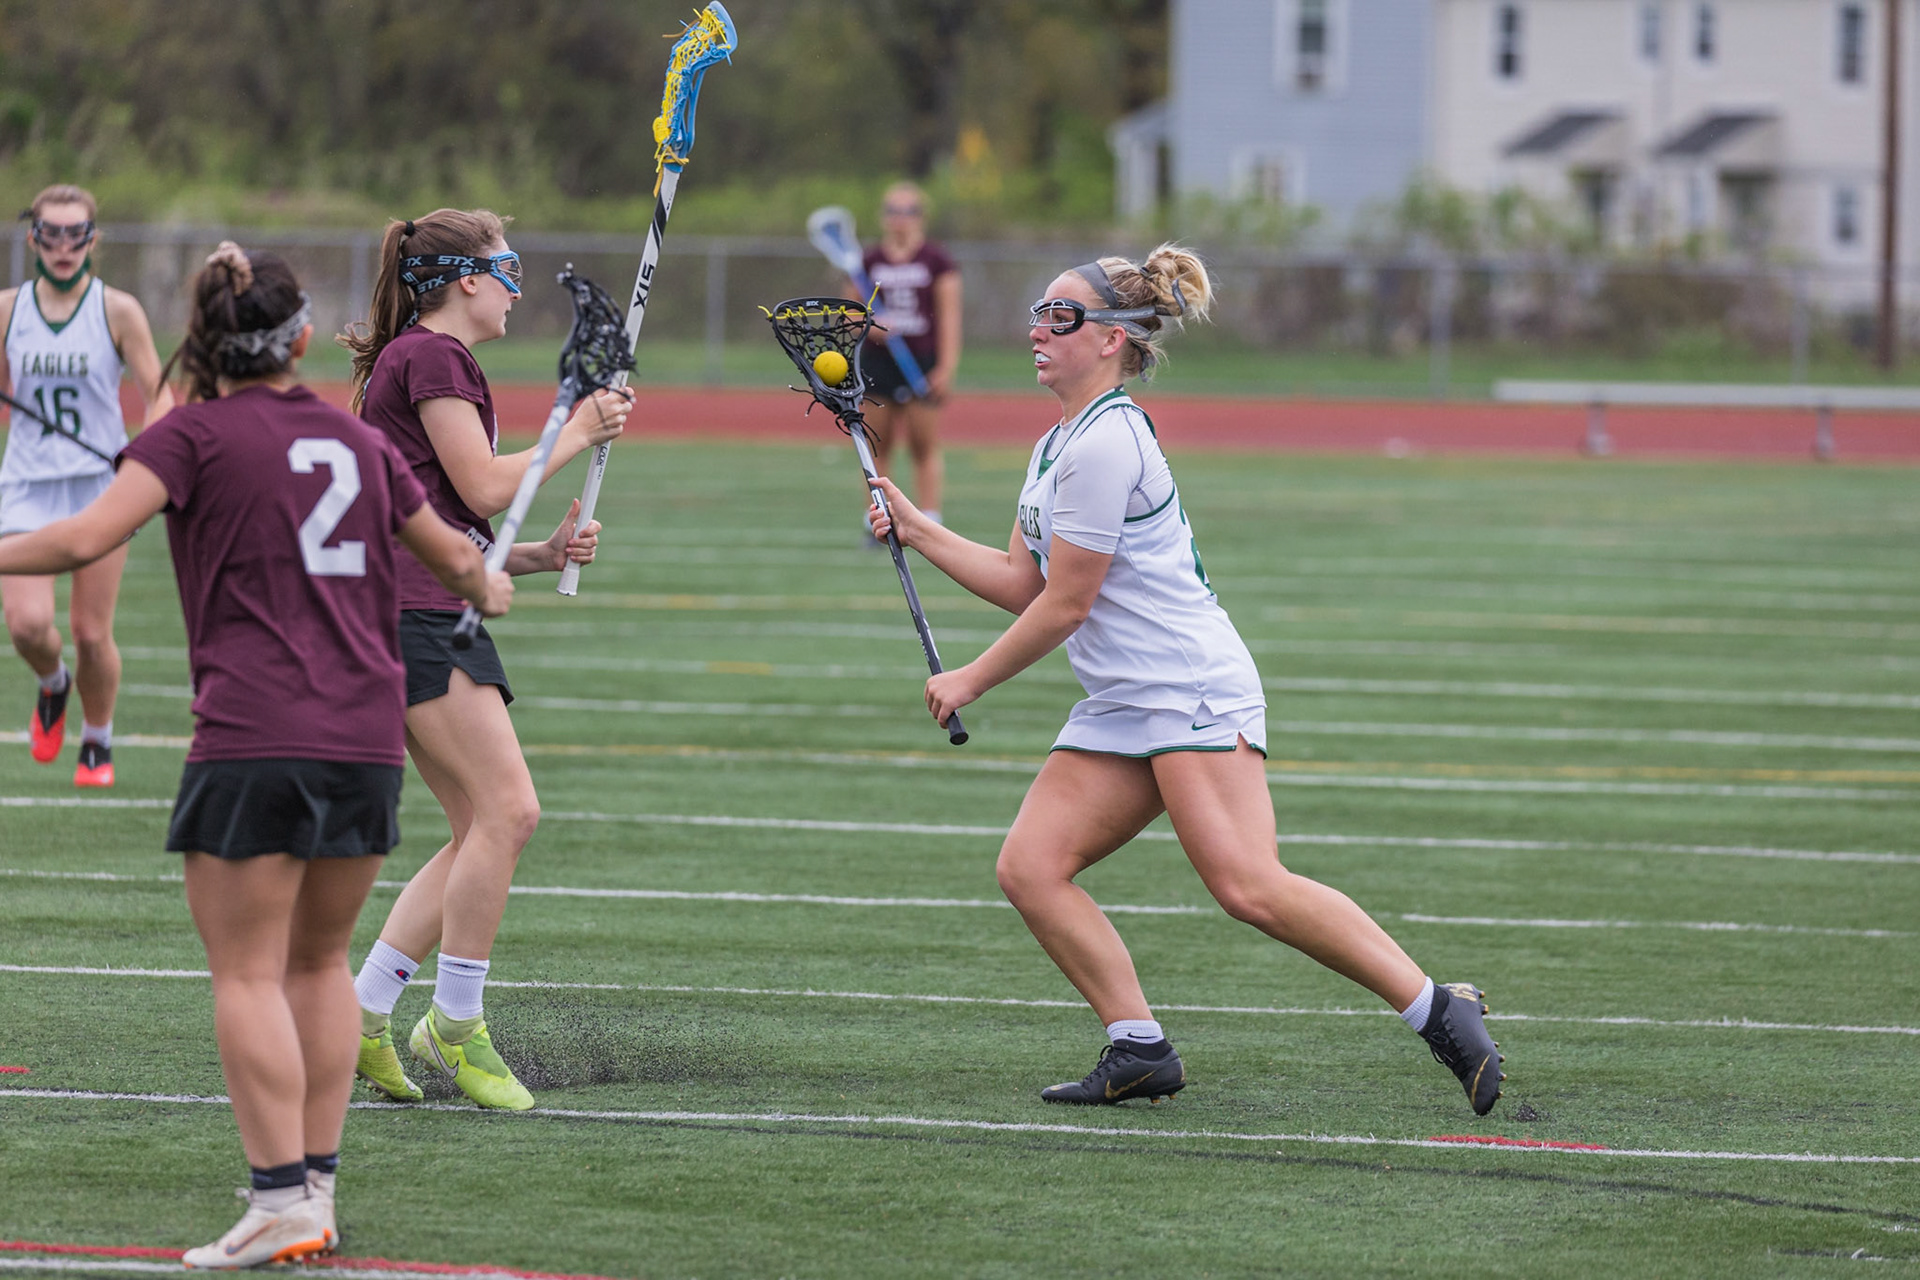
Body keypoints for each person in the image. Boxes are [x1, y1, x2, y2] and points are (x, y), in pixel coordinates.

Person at [867, 246, 1507, 1114]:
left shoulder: (1106, 442)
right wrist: (918, 528)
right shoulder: (1059, 441)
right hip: (1128, 698)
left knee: (1248, 886)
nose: (1038, 331)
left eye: (1061, 316)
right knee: (1032, 867)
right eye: (1037, 314)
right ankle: (1139, 1047)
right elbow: (1024, 582)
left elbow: (1066, 606)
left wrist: (971, 679)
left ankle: (1437, 1009)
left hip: (1186, 687)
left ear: (1112, 339)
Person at [0, 241, 512, 1265]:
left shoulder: (187, 435)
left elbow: (82, 538)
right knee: (318, 963)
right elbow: (460, 560)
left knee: (245, 974)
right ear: (304, 339)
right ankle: (312, 1191)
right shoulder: (358, 440)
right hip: (363, 739)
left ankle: (281, 1198)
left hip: (254, 731)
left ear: (200, 341)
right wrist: (497, 579)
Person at [340, 208, 631, 1112]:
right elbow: (482, 484)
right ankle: (455, 1024)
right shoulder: (433, 357)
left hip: (418, 603)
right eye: (508, 270)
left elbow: (446, 512)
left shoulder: (424, 359)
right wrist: (579, 428)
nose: (515, 288)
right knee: (510, 812)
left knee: (477, 826)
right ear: (467, 279)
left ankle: (363, 1011)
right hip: (415, 614)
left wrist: (536, 556)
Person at [1, 184, 174, 787]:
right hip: (25, 485)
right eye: (51, 234)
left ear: (92, 239)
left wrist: (145, 455)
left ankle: (97, 737)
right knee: (27, 625)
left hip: (100, 486)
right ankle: (53, 684)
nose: (63, 246)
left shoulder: (117, 310)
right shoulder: (8, 310)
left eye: (76, 235)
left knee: (91, 633)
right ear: (34, 239)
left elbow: (159, 394)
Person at [851, 181, 960, 528]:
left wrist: (946, 367)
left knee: (923, 445)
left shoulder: (936, 260)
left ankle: (930, 519)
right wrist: (872, 325)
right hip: (877, 363)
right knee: (876, 447)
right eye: (893, 211)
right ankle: (877, 519)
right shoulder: (868, 260)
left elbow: (949, 317)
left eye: (908, 211)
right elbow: (850, 316)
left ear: (921, 216)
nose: (900, 218)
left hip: (920, 362)